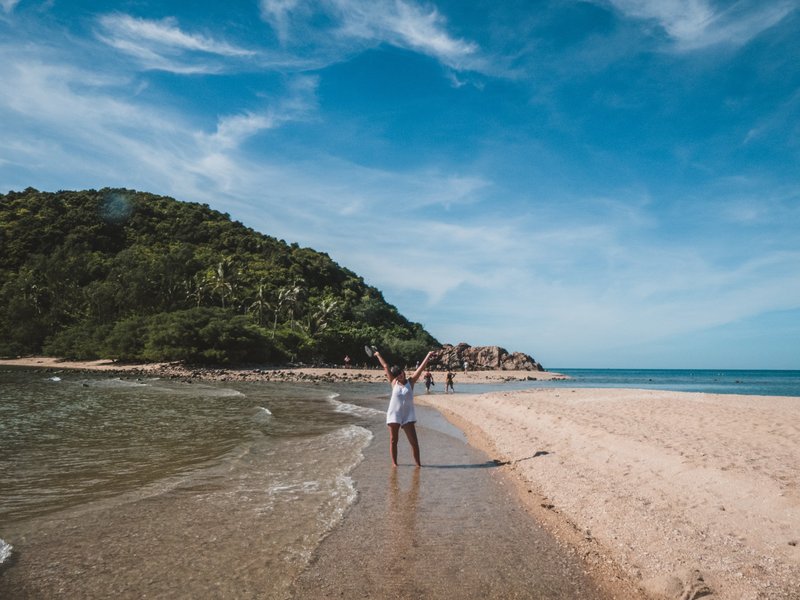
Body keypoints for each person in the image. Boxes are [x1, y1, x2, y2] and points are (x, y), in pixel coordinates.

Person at [373, 349, 436, 467]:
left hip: (407, 416)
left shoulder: (410, 382)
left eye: (402, 373)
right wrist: (378, 355)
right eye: (398, 375)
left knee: (414, 443)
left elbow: (421, 368)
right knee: (393, 440)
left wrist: (428, 355)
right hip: (394, 415)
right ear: (396, 377)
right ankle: (395, 465)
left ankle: (418, 465)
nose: (401, 375)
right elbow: (385, 366)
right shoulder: (393, 383)